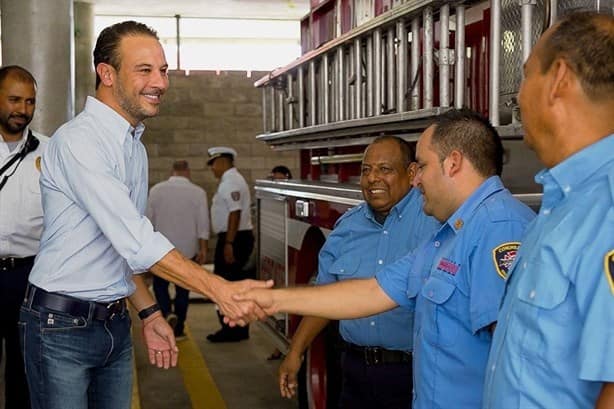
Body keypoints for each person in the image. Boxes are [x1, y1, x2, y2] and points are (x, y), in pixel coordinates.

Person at [19, 21, 269, 409]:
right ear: (106, 73)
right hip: (61, 329)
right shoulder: (80, 141)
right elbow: (136, 241)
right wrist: (220, 289)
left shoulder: (133, 144)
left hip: (115, 324)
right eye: (145, 70)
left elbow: (117, 249)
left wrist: (150, 313)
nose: (161, 82)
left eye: (163, 70)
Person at [233, 109, 535, 409]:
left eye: (423, 167)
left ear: (453, 163)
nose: (417, 182)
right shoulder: (450, 235)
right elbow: (372, 292)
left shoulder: (498, 228)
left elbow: (518, 360)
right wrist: (268, 299)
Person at [482, 12, 614, 409]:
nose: (517, 97)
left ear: (558, 79)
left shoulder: (606, 211)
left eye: (525, 76)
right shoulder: (563, 202)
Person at [278, 136, 440, 408]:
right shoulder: (346, 228)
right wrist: (295, 352)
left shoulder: (434, 222)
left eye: (385, 169)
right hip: (354, 372)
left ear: (411, 173)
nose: (373, 178)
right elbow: (325, 299)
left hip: (413, 375)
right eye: (366, 170)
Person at [0, 65, 47, 409]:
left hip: (29, 278)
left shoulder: (50, 151)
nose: (23, 110)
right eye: (14, 99)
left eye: (29, 101)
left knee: (26, 369)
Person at [147, 160, 210, 340]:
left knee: (160, 286)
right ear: (187, 172)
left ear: (172, 171)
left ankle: (167, 314)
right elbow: (203, 223)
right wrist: (203, 248)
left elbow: (147, 220)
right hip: (187, 249)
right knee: (183, 289)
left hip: (160, 249)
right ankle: (179, 327)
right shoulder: (198, 192)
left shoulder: (156, 190)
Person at [206, 146, 255, 342]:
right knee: (233, 283)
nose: (212, 169)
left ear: (222, 162)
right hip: (235, 237)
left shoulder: (231, 181)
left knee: (226, 283)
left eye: (213, 164)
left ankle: (231, 329)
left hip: (234, 238)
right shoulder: (230, 180)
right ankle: (237, 329)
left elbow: (235, 213)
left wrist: (229, 243)